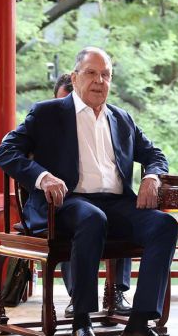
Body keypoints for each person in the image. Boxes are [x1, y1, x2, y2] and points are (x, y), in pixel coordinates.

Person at [0, 47, 178, 336]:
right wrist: (43, 177)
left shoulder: (121, 118)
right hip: (65, 203)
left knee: (165, 225)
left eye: (106, 75)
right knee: (92, 217)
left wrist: (152, 176)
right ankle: (81, 324)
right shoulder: (48, 113)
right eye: (91, 73)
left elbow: (154, 154)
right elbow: (6, 152)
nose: (99, 81)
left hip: (115, 203)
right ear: (74, 77)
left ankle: (138, 326)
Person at [53, 73, 133, 319]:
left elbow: (150, 151)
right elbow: (14, 152)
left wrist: (152, 176)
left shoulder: (115, 118)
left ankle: (118, 290)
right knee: (84, 219)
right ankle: (77, 298)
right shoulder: (50, 120)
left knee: (130, 214)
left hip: (109, 197)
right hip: (67, 200)